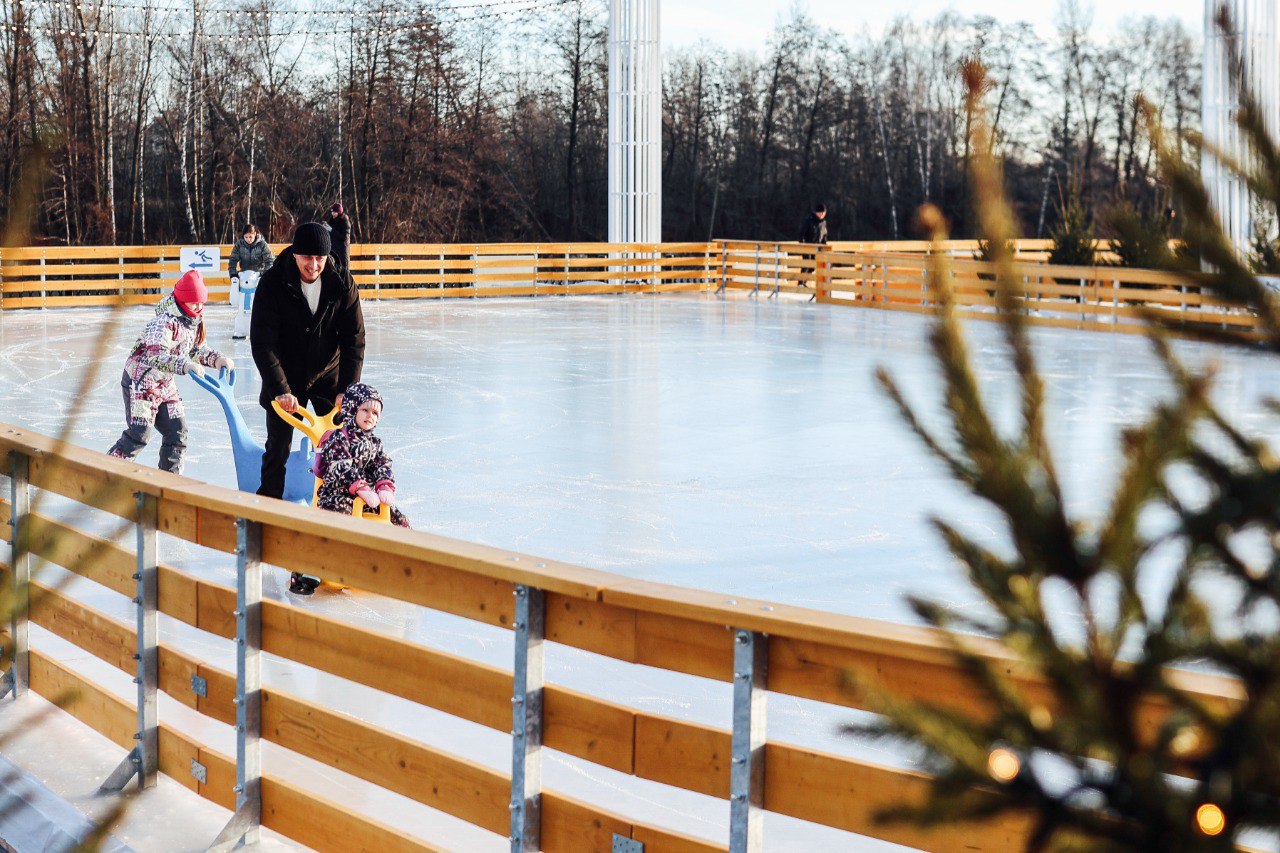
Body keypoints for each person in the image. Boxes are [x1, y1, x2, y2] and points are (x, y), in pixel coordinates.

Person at [250, 204, 365, 499]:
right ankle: (269, 508)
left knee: (340, 445)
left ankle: (342, 501)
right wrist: (280, 389)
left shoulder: (342, 283)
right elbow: (263, 342)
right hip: (286, 377)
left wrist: (347, 389)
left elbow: (354, 339)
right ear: (295, 253)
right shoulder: (273, 283)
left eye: (319, 258)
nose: (313, 265)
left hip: (328, 374)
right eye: (307, 257)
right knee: (278, 448)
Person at [108, 270, 233, 474]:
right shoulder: (163, 322)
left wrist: (217, 359)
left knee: (178, 433)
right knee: (139, 434)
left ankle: (170, 481)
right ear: (183, 300)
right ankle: (108, 472)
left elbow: (196, 349)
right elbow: (155, 356)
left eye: (202, 303)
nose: (199, 307)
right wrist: (184, 365)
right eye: (194, 303)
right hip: (142, 382)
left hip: (164, 385)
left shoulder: (193, 321)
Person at [798, 202, 828, 288]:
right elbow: (802, 233)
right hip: (807, 246)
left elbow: (824, 235)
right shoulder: (809, 220)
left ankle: (804, 282)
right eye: (820, 213)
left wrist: (824, 246)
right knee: (807, 264)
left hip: (817, 248)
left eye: (823, 213)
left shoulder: (823, 223)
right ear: (816, 213)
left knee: (813, 267)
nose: (821, 215)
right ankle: (800, 282)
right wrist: (803, 245)